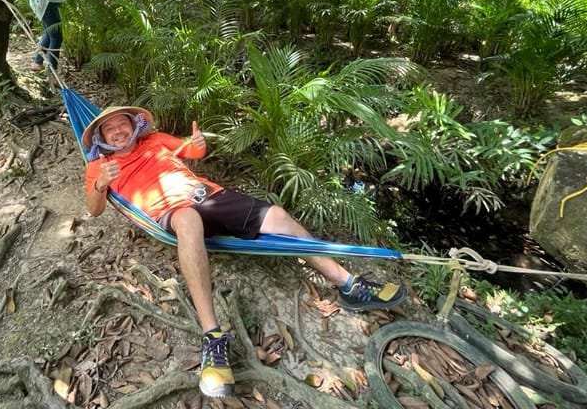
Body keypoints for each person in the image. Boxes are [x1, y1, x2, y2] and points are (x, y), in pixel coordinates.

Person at [82, 106, 406, 399]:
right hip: (174, 213)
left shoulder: (155, 140)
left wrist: (197, 142)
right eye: (109, 128)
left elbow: (193, 151)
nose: (118, 131)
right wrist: (101, 185)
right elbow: (94, 210)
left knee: (278, 216)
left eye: (121, 123)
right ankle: (212, 337)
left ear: (132, 124)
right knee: (188, 218)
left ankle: (348, 285)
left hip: (210, 197)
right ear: (102, 136)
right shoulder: (100, 165)